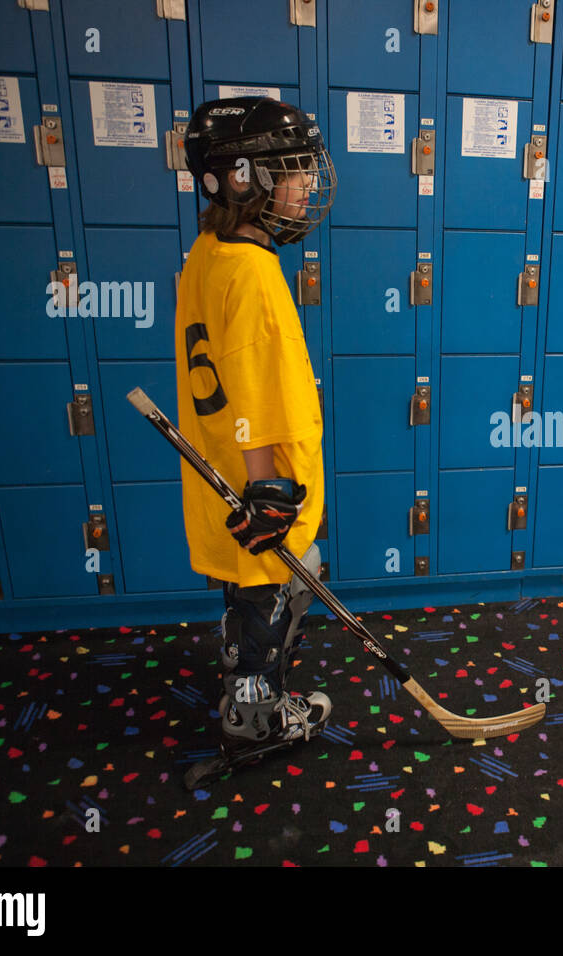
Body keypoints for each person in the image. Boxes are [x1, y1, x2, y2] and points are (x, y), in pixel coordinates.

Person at [174, 97, 337, 765]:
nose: (306, 186)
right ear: (245, 177)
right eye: (294, 172)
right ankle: (256, 717)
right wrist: (266, 490)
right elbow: (248, 393)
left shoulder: (210, 252)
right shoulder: (253, 272)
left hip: (227, 484)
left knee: (262, 595)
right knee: (273, 592)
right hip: (257, 487)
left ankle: (250, 677)